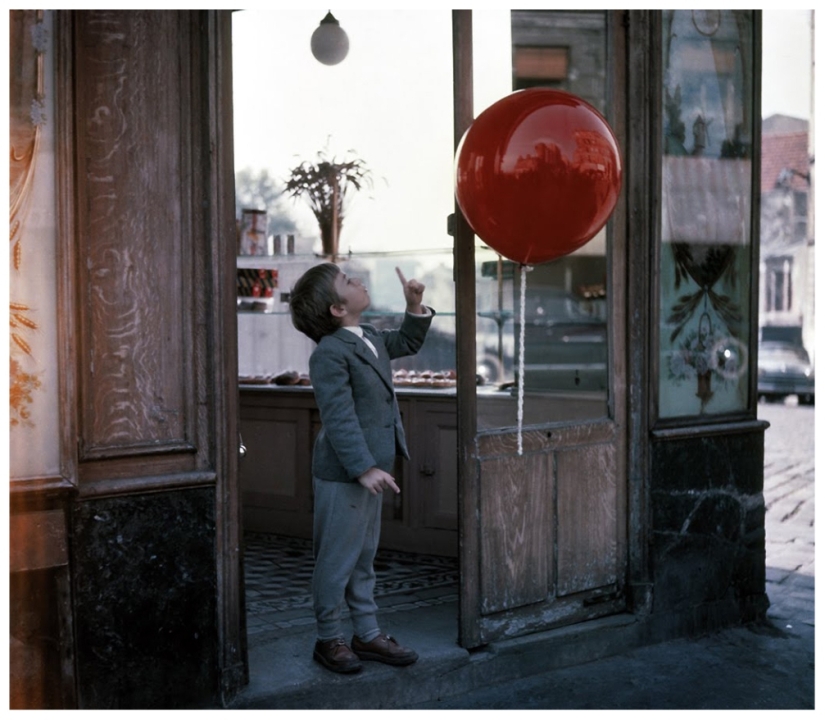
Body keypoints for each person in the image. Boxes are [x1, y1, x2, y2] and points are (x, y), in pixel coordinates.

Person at [289, 262, 435, 674]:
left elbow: (407, 340)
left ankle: (367, 634)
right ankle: (328, 638)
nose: (358, 281)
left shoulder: (368, 336)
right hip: (347, 473)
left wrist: (414, 304)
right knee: (337, 559)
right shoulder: (330, 354)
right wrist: (363, 468)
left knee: (364, 556)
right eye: (347, 281)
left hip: (373, 471)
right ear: (337, 308)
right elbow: (339, 418)